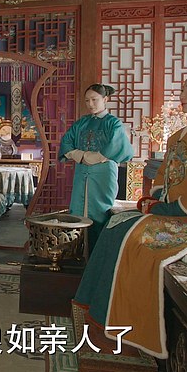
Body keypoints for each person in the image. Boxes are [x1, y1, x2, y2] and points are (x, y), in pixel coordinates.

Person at [73, 69, 187, 359]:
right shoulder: (181, 134)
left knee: (137, 241)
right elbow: (163, 177)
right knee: (115, 223)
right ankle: (100, 317)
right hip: (171, 210)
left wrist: (168, 208)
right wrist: (155, 200)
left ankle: (127, 329)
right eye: (183, 89)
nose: (182, 95)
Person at [58, 84, 134, 251]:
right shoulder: (82, 123)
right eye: (87, 100)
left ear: (105, 99)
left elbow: (118, 145)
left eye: (94, 99)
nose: (90, 104)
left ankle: (98, 253)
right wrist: (79, 155)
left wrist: (97, 157)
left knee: (100, 210)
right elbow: (67, 141)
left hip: (104, 173)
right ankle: (77, 251)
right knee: (78, 209)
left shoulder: (113, 123)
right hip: (82, 171)